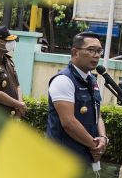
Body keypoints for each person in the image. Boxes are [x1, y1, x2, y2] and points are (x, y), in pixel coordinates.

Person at [46, 32, 108, 166]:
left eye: (99, 51)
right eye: (91, 50)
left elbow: (97, 114)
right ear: (75, 52)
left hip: (84, 155)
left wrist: (103, 138)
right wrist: (95, 146)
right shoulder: (63, 80)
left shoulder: (91, 79)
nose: (96, 55)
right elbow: (68, 122)